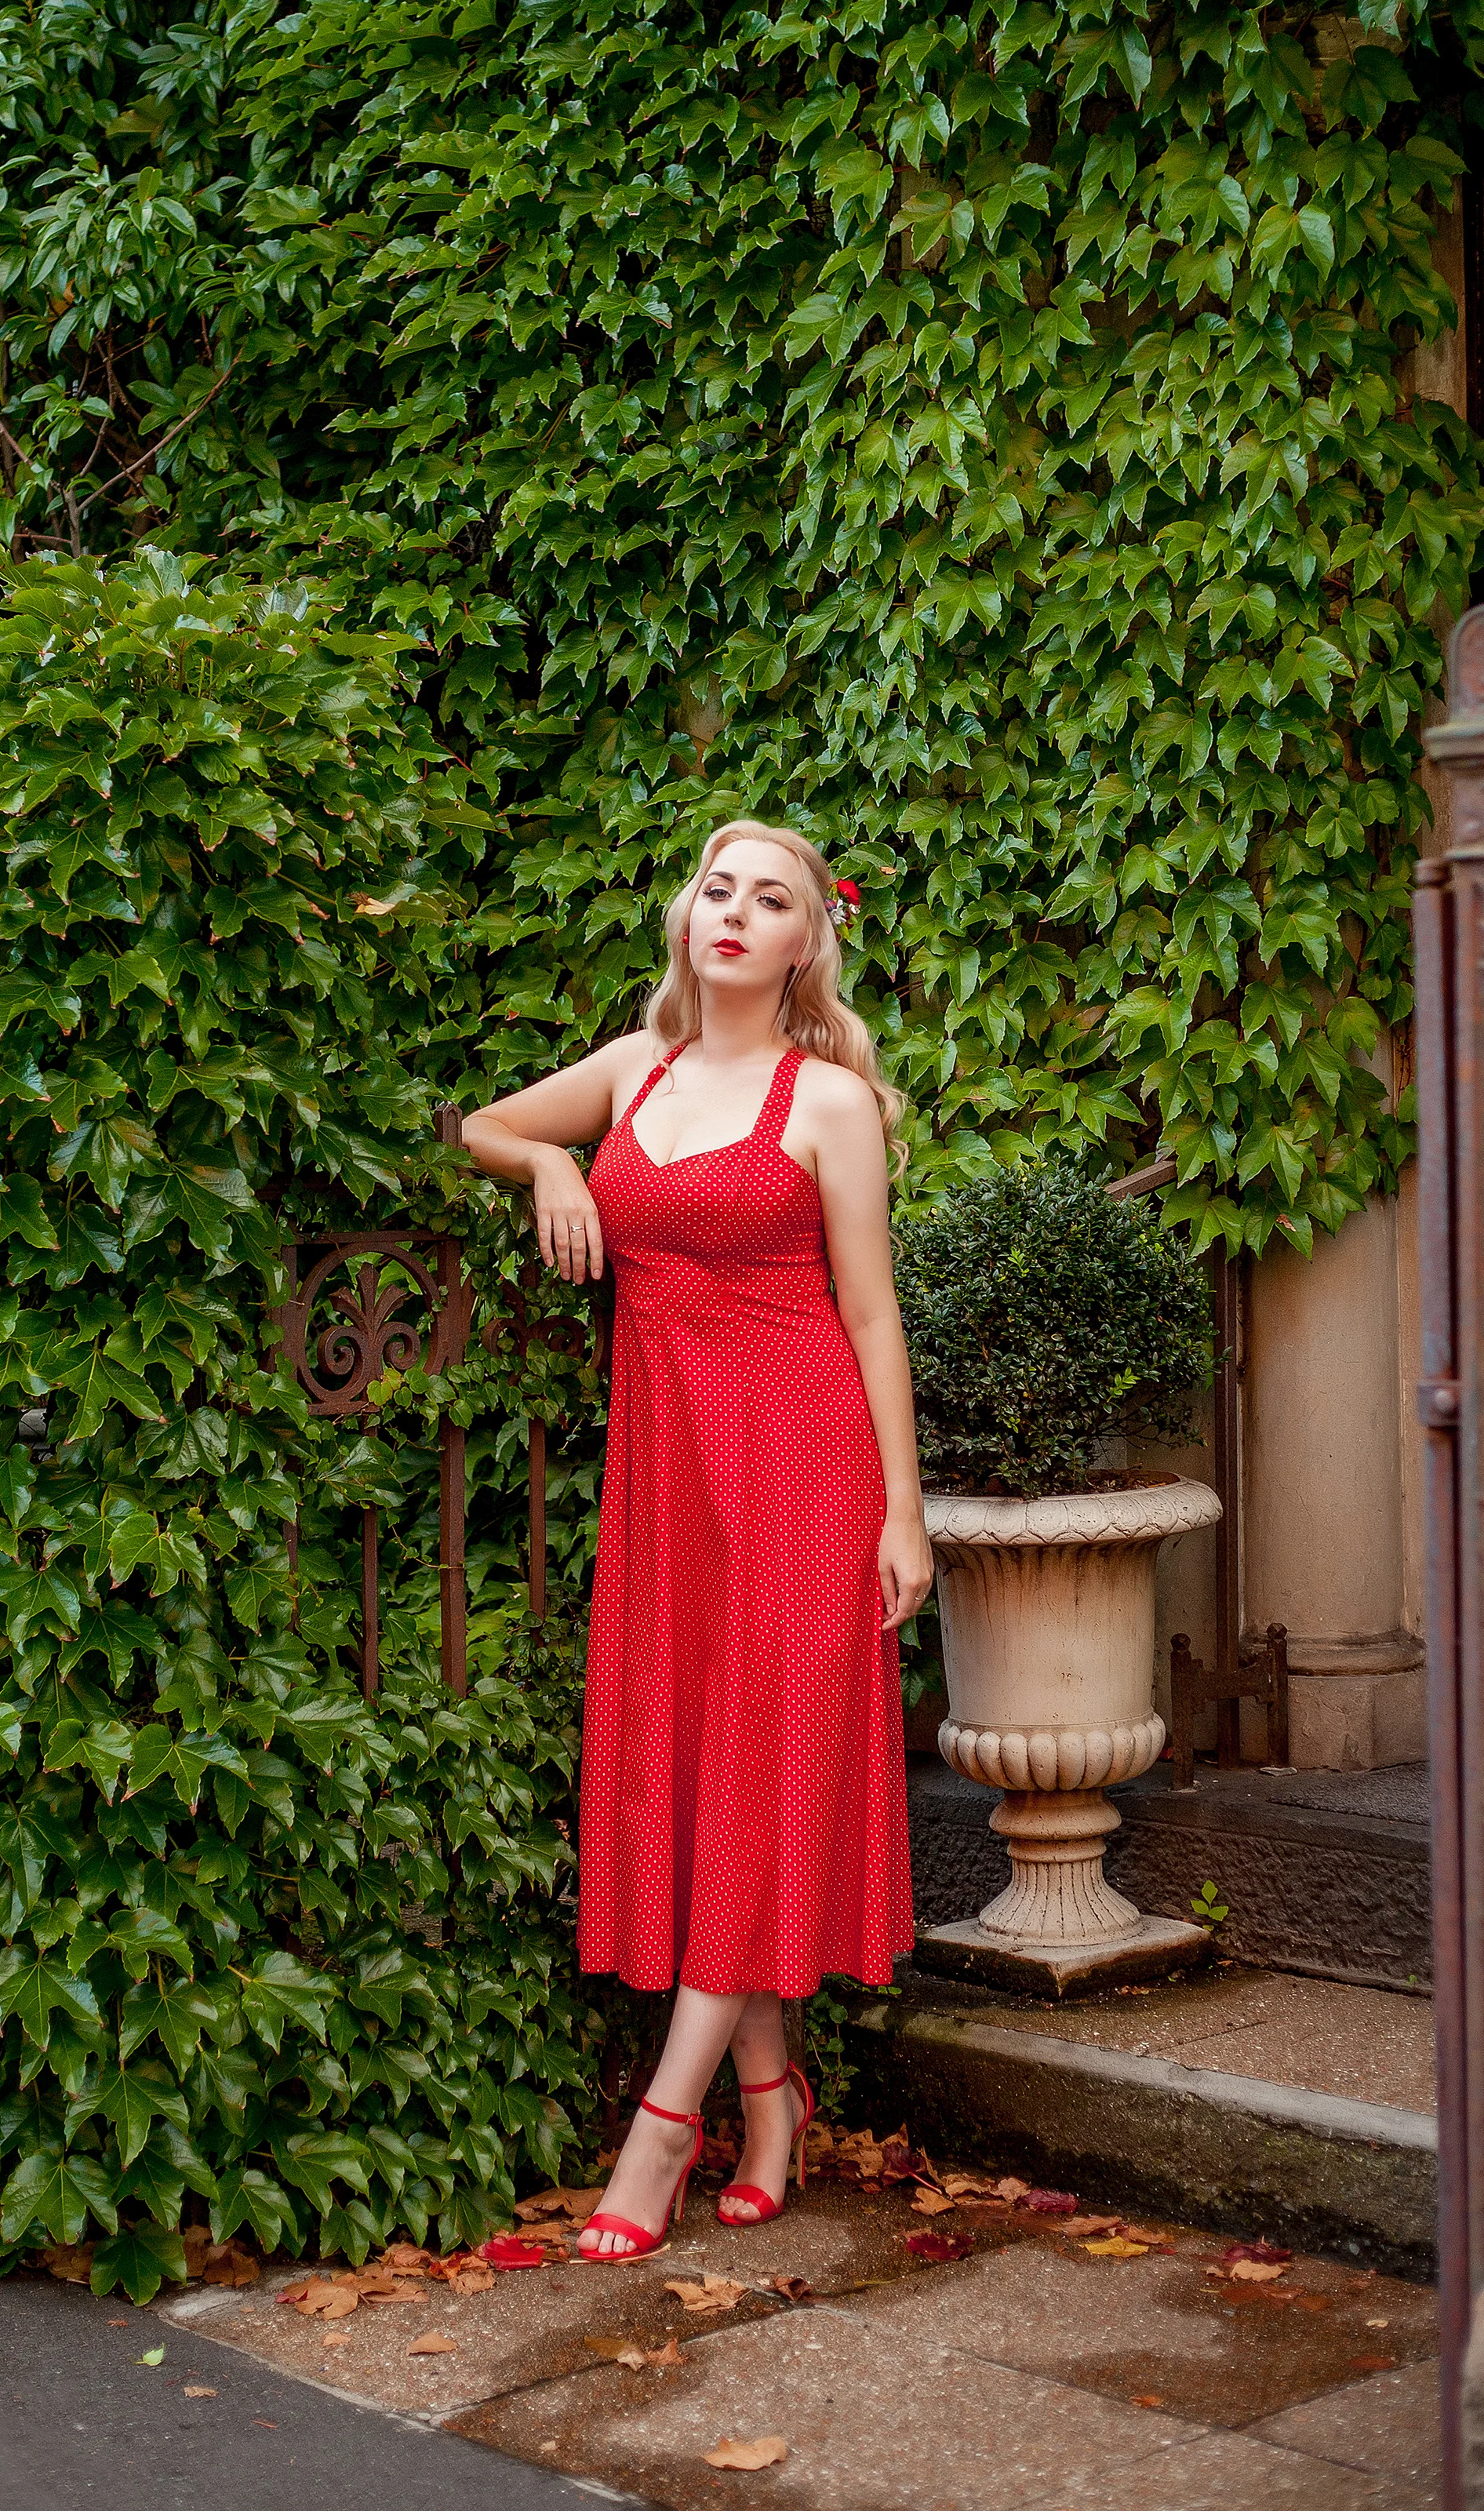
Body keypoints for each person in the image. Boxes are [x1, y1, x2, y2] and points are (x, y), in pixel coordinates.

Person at [460, 821, 930, 2260]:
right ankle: (774, 2094)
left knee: (756, 1766)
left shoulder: (831, 1103)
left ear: (806, 944)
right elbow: (485, 1121)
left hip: (800, 1464)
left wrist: (903, 1510)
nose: (736, 913)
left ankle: (663, 2131)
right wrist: (551, 1172)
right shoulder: (630, 1069)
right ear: (688, 918)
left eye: (770, 898)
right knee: (713, 1763)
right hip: (670, 1476)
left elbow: (870, 1315)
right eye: (719, 889)